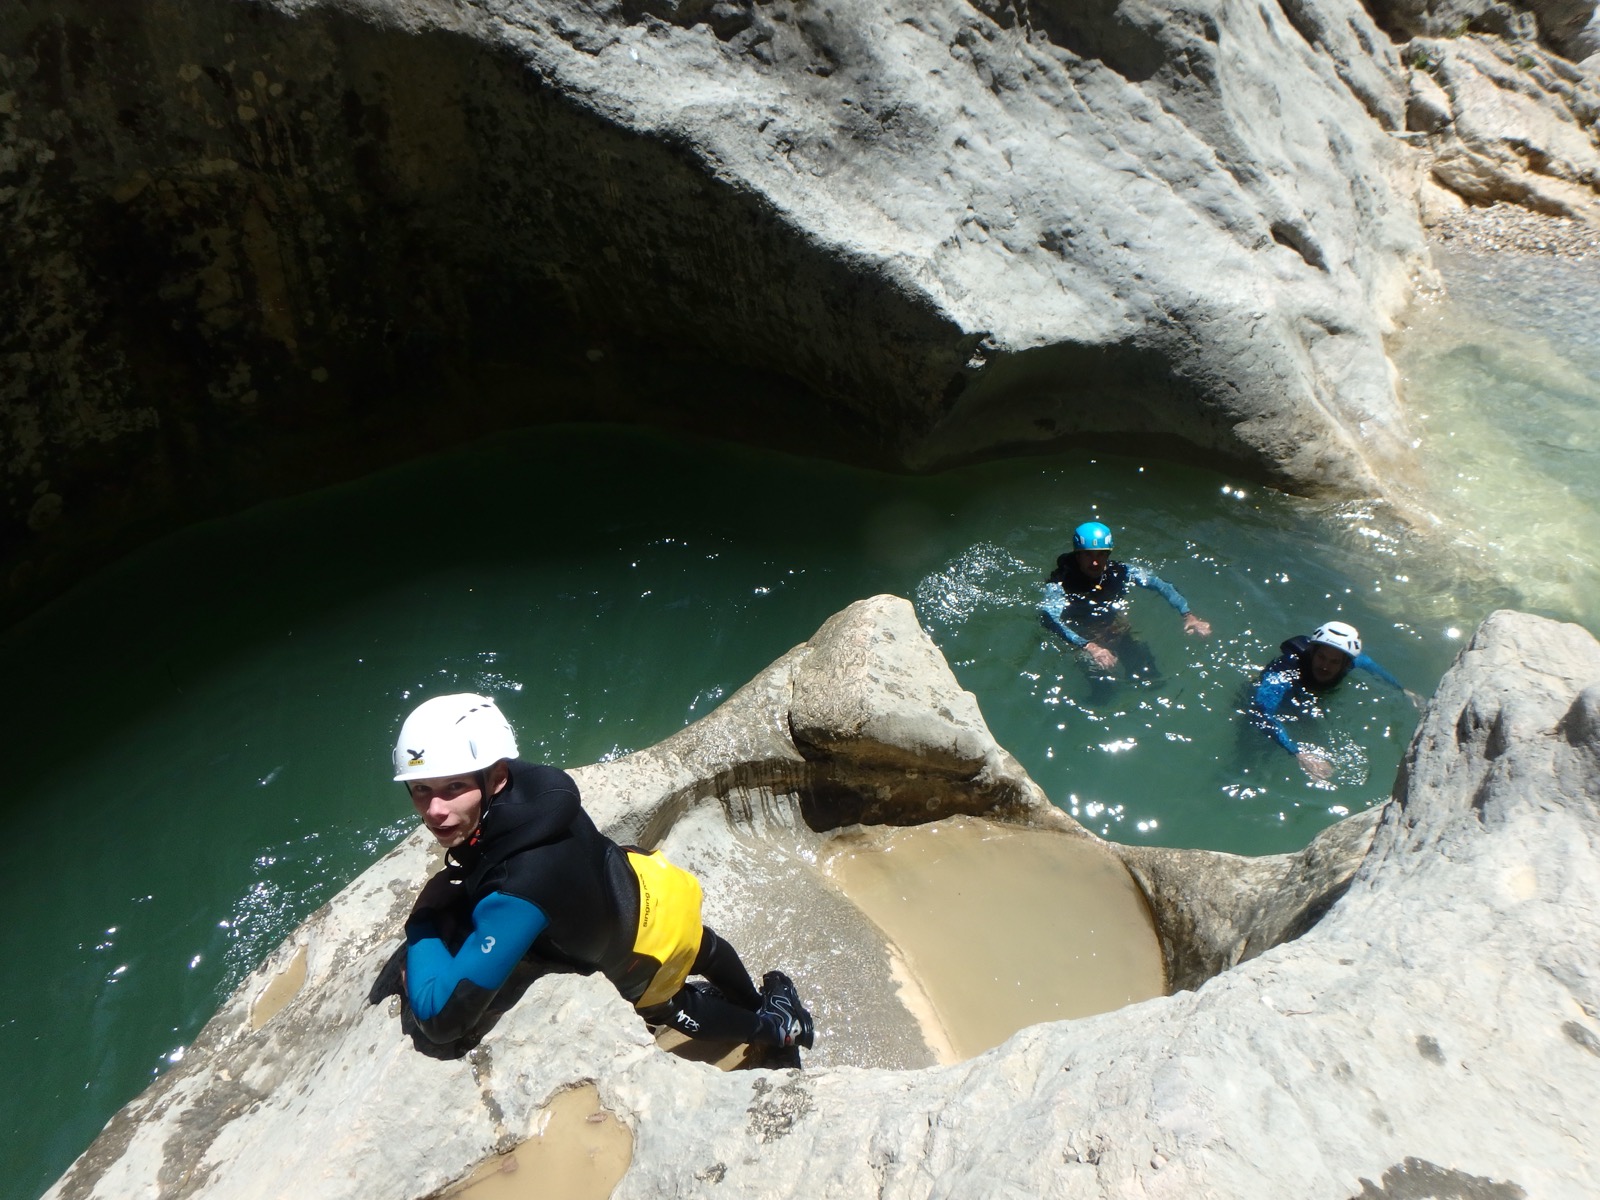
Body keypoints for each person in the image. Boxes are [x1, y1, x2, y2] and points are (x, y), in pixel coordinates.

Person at [392, 693, 814, 1056]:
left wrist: (424, 922)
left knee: (670, 1007)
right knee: (703, 946)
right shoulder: (539, 788)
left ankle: (777, 1030)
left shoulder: (516, 887)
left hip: (642, 956)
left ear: (496, 778)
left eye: (452, 788)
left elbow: (443, 1018)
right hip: (654, 890)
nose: (434, 811)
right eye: (421, 789)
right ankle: (759, 1001)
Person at [1249, 620, 1420, 780]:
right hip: (1283, 699)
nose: (1325, 666)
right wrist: (1299, 753)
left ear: (1345, 664)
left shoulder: (1353, 660)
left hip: (1311, 700)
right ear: (1312, 652)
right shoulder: (1284, 669)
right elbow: (1262, 712)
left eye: (1334, 662)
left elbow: (1376, 671)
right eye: (1321, 657)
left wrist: (1402, 691)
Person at [1038, 520, 1211, 676]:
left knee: (1149, 675)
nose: (1096, 562)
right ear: (1078, 555)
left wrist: (1188, 615)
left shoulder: (1119, 571)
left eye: (1101, 554)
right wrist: (1089, 646)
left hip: (1116, 628)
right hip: (1082, 633)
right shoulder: (1060, 582)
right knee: (1102, 692)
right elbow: (1049, 617)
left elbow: (1161, 585)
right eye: (1088, 554)